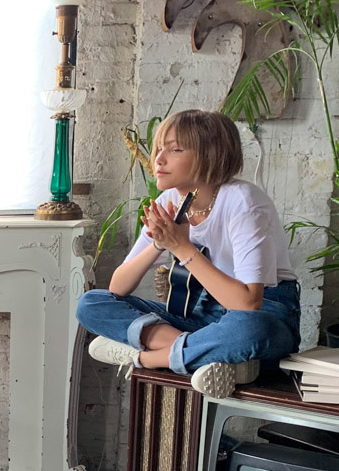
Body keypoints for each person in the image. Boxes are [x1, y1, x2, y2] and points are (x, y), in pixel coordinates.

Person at [76, 109, 300, 398]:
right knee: (90, 303)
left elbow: (248, 304)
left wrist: (182, 247)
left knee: (249, 330)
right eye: (159, 148)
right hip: (199, 318)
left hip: (265, 314)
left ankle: (153, 357)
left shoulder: (243, 202)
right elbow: (117, 289)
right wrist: (159, 244)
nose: (158, 158)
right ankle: (209, 355)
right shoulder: (169, 200)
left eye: (175, 149)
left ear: (211, 154)